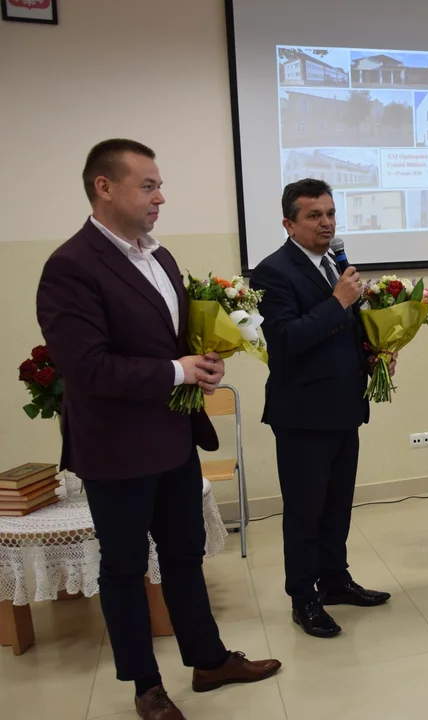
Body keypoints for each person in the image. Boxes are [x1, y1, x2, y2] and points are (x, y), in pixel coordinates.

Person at [36, 139, 280, 720]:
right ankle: (145, 685)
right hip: (115, 446)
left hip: (172, 434)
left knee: (184, 555)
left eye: (158, 185)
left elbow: (172, 343)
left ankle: (208, 659)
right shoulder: (70, 266)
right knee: (124, 567)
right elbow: (85, 367)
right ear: (104, 186)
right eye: (148, 185)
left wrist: (205, 361)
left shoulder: (160, 257)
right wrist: (176, 369)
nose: (160, 197)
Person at [250, 179, 392, 639]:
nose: (327, 222)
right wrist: (338, 303)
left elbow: (342, 330)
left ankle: (334, 580)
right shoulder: (273, 272)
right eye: (314, 215)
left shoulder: (336, 265)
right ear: (289, 223)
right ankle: (303, 597)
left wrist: (373, 350)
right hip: (302, 413)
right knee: (305, 510)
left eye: (330, 213)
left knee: (337, 505)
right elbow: (286, 340)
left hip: (343, 405)